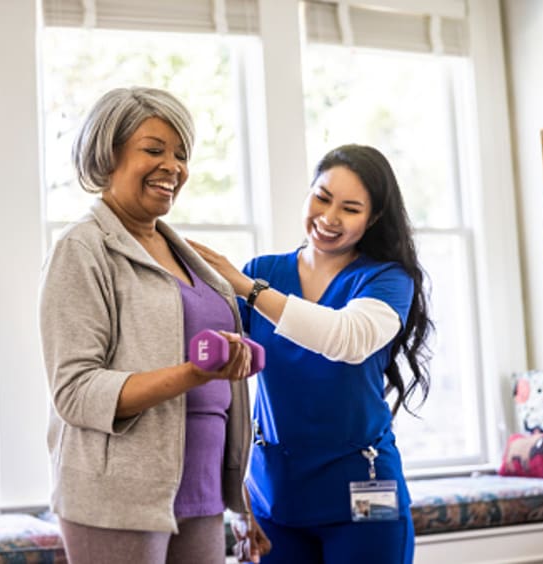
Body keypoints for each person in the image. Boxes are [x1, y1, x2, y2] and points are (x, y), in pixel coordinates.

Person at [38, 86, 270, 564]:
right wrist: (192, 373)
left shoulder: (189, 256)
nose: (174, 166)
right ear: (108, 155)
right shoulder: (82, 250)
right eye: (154, 149)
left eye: (181, 154)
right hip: (117, 499)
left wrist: (240, 498)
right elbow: (76, 391)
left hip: (202, 493)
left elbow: (220, 403)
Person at [189, 143, 434, 564]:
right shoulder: (264, 270)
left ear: (373, 218)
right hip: (274, 496)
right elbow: (220, 384)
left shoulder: (387, 279)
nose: (329, 218)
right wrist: (236, 491)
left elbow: (346, 338)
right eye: (322, 197)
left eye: (350, 208)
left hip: (363, 496)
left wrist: (248, 290)